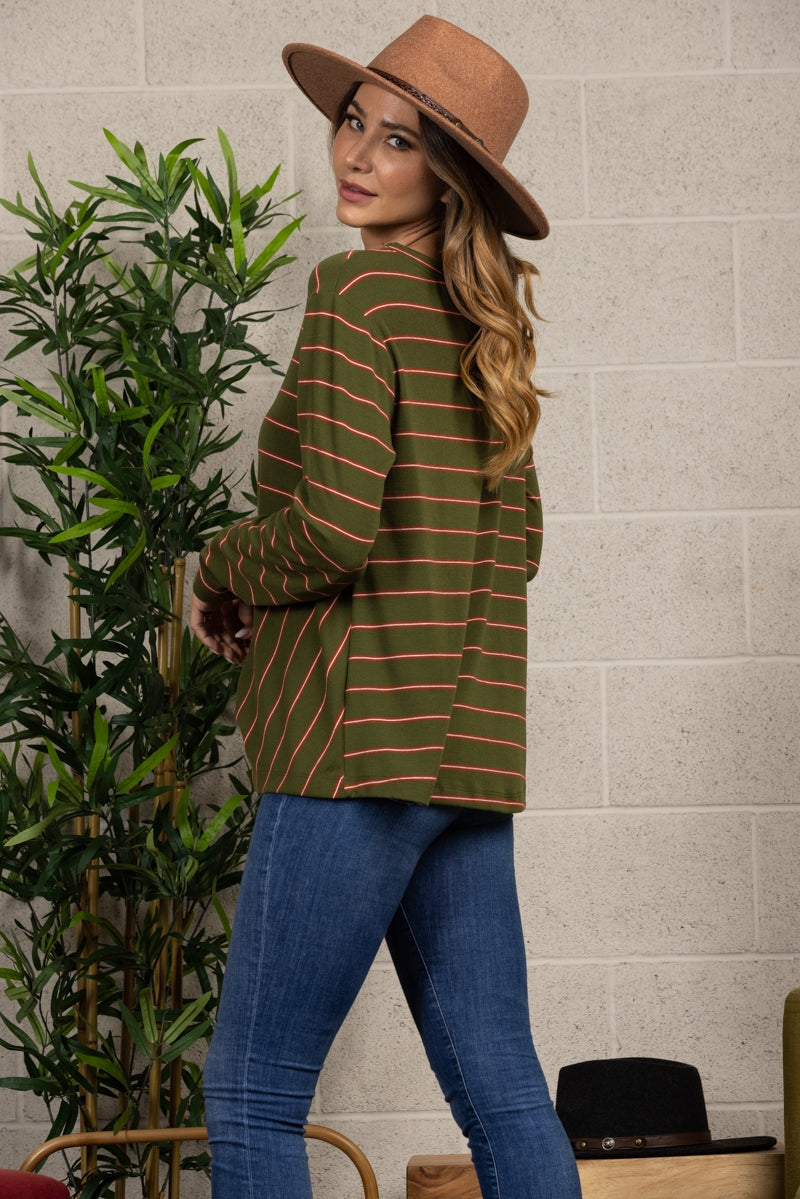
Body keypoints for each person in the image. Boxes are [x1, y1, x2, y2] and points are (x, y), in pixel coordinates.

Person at [190, 16, 582, 1199]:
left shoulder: (356, 293)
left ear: (448, 174)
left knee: (253, 1091)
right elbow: (518, 545)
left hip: (356, 749)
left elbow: (331, 530)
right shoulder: (484, 326)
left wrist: (220, 566)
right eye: (353, 122)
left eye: (399, 139)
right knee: (503, 1090)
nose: (358, 154)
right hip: (465, 755)